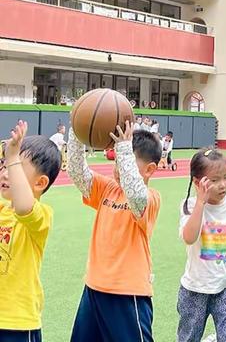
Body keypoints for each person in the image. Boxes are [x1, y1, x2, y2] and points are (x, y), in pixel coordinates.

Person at [67, 121, 162, 342]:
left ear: (149, 169)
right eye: (118, 162)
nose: (118, 168)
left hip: (128, 293)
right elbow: (77, 172)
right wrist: (77, 131)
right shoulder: (107, 188)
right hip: (94, 287)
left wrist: (123, 149)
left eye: (127, 161)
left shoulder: (151, 199)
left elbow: (136, 195)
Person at [177, 149, 226, 342]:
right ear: (198, 182)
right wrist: (200, 203)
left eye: (225, 178)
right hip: (195, 287)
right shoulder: (188, 205)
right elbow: (189, 237)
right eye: (214, 180)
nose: (223, 185)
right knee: (188, 337)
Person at [0, 121, 61, 342]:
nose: (6, 173)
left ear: (40, 183)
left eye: (15, 167)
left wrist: (13, 157)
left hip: (16, 321)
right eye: (4, 165)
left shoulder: (41, 215)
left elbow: (24, 207)